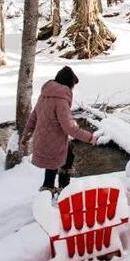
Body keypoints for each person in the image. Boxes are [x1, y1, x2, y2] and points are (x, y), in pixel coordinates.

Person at [20, 66, 98, 197]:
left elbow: (32, 118)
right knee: (65, 156)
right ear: (68, 84)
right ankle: (64, 190)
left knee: (63, 153)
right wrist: (90, 137)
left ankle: (48, 187)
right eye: (72, 85)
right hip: (53, 142)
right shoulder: (61, 99)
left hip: (42, 140)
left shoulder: (45, 95)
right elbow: (69, 128)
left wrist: (25, 138)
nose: (72, 89)